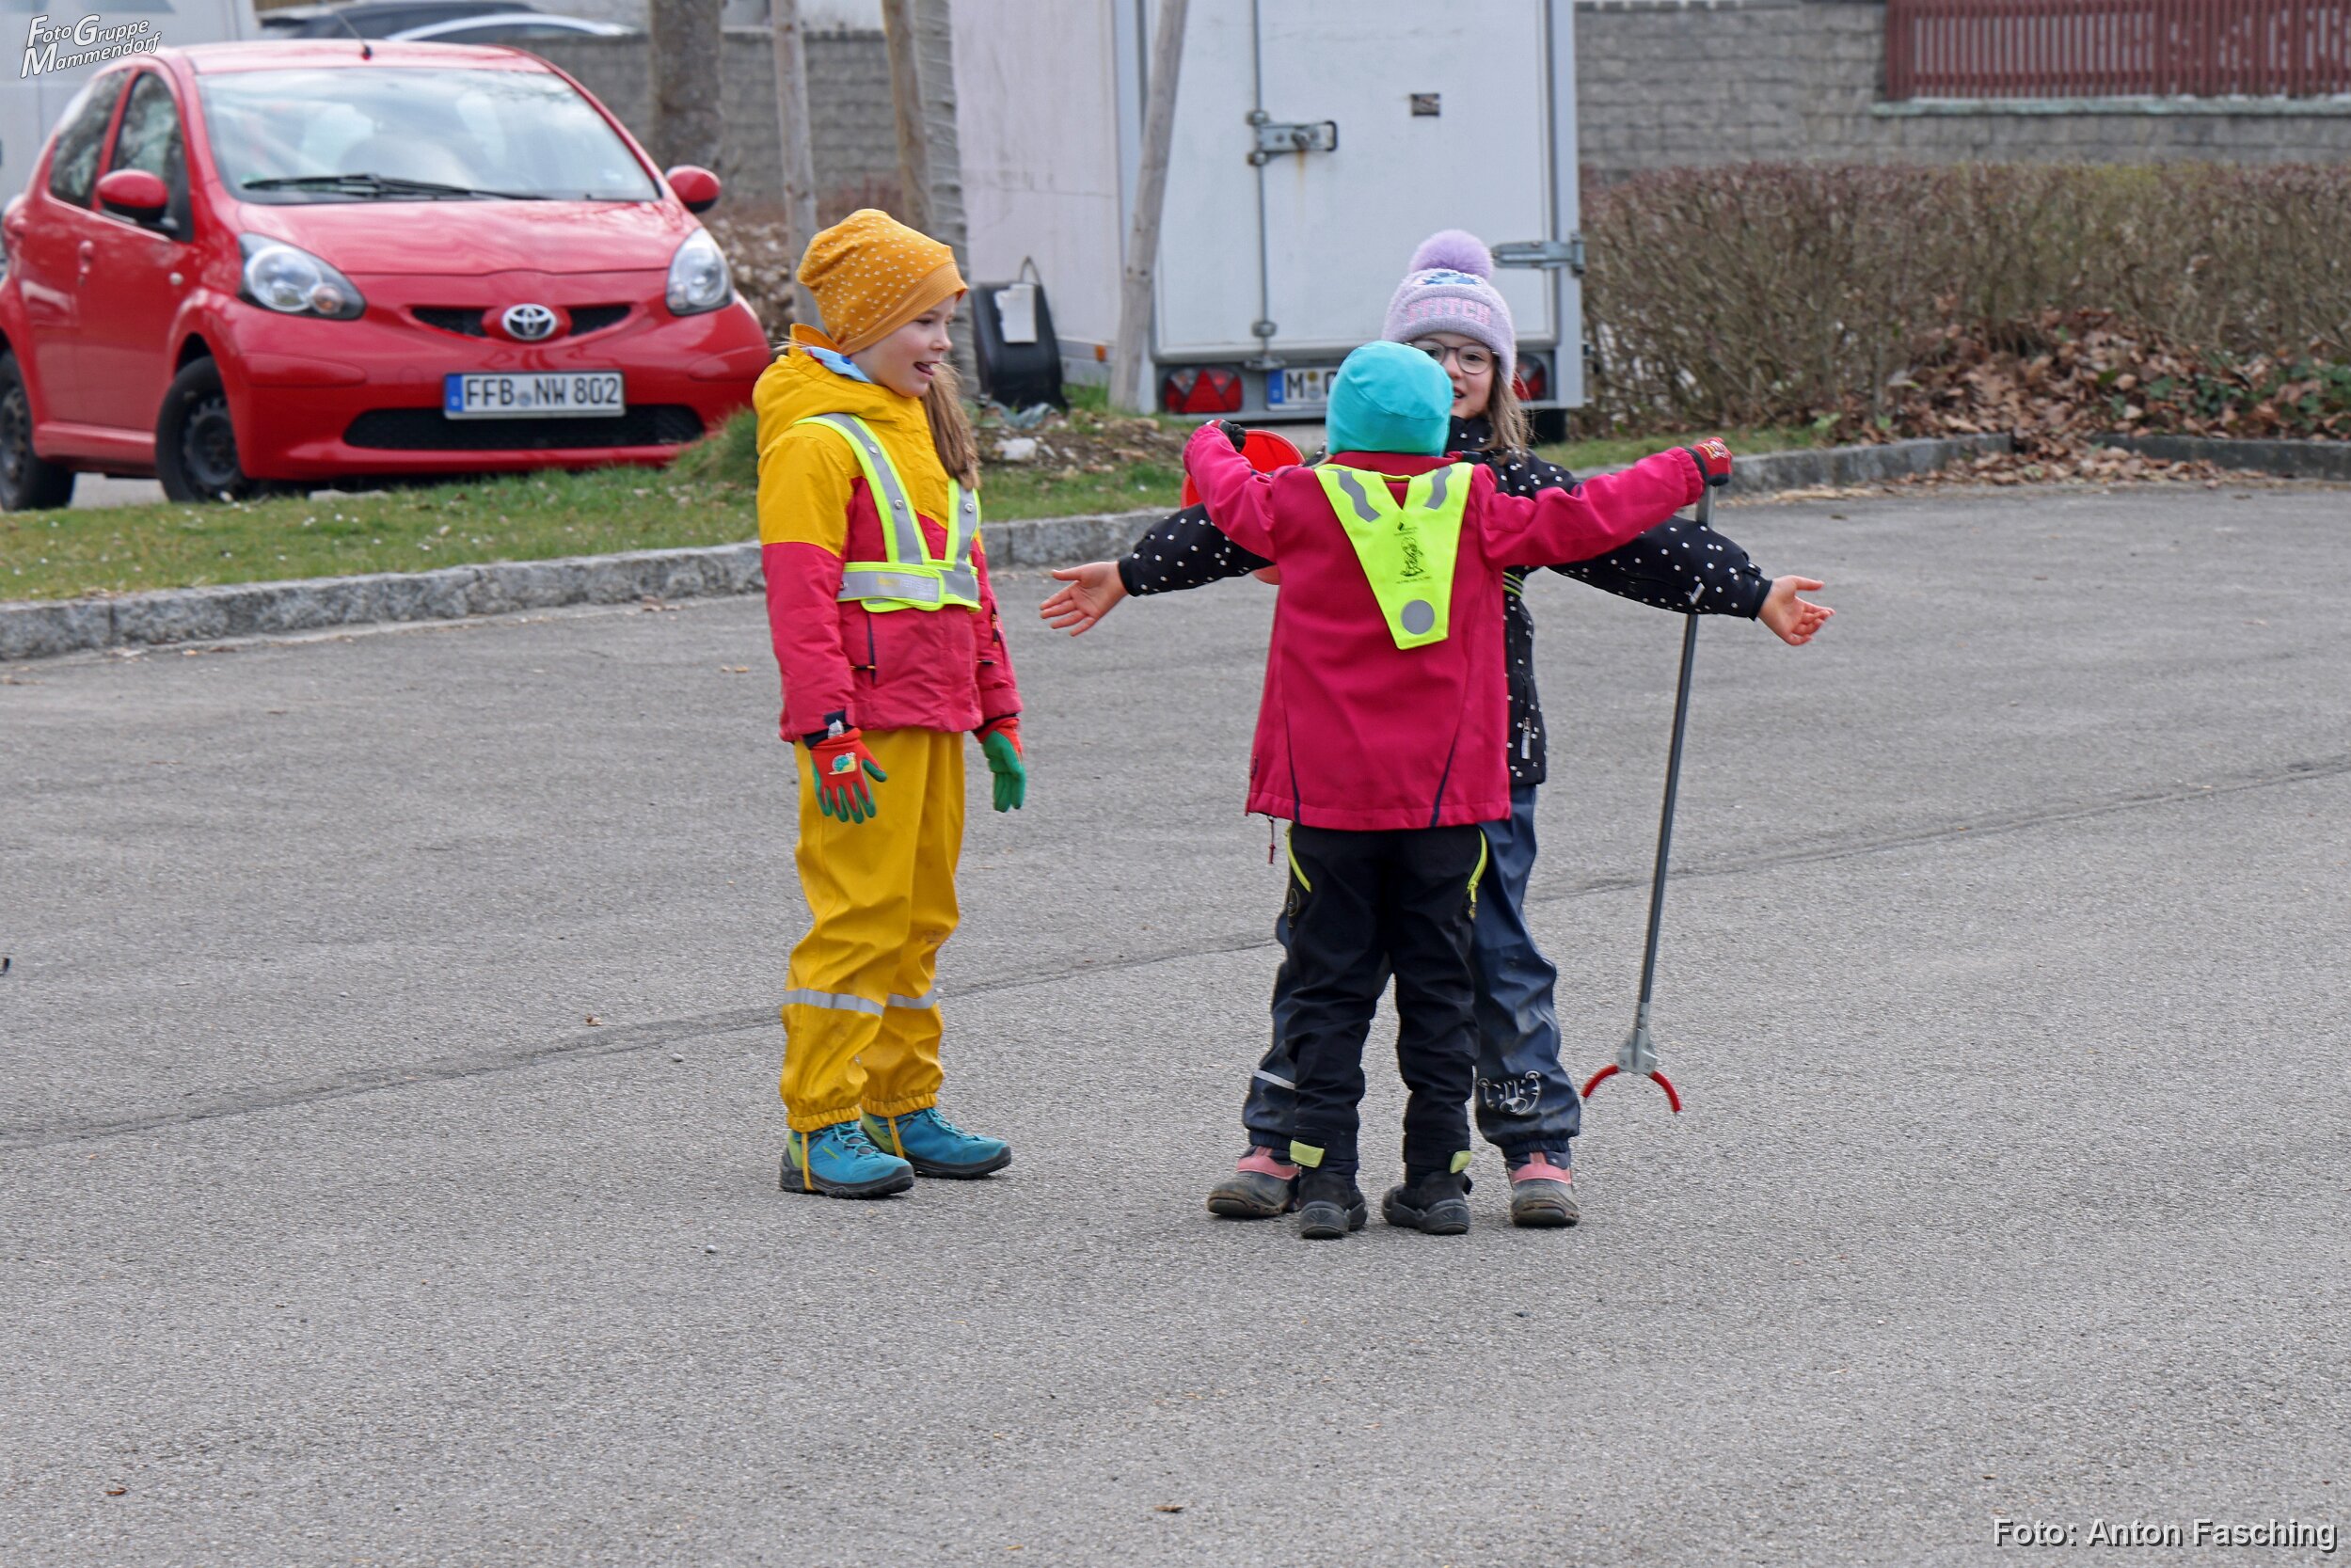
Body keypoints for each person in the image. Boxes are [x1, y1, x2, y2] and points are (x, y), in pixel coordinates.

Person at [1040, 230, 1833, 1227]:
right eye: (1429, 352)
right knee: (1324, 957)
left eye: (1473, 354)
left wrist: (1750, 590)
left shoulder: (1508, 484)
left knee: (1492, 952)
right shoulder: (1332, 478)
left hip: (1483, 764)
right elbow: (1223, 528)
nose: (1452, 369)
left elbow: (1625, 536)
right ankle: (1283, 1137)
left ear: (1501, 377)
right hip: (1353, 777)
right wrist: (1130, 571)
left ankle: (1533, 1142)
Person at [1180, 343, 1733, 1239]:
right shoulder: (1477, 501)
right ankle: (1435, 1181)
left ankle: (1324, 1181)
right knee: (1440, 988)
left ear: (1339, 425)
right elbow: (1590, 514)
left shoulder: (1296, 500)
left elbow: (1226, 494)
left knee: (1327, 989)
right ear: (1439, 426)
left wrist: (1210, 438)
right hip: (1445, 806)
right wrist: (1687, 465)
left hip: (1330, 805)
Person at [755, 209, 1029, 1199]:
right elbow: (800, 606)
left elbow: (966, 587)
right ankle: (819, 1121)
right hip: (862, 730)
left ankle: (901, 1101)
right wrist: (828, 730)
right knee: (859, 918)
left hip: (938, 713)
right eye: (924, 321)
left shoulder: (923, 431)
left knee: (918, 917)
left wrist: (997, 715)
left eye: (946, 322)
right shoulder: (816, 442)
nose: (942, 343)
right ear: (863, 325)